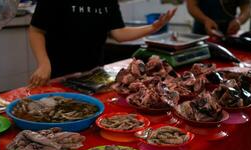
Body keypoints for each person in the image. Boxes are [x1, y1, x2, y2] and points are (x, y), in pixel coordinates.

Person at [29, 0, 176, 87]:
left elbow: (119, 33)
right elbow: (36, 30)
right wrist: (43, 63)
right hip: (58, 74)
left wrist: (153, 28)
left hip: (94, 75)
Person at [186, 0, 251, 36]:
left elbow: (246, 6)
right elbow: (192, 6)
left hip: (229, 32)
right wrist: (205, 20)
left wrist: (239, 21)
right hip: (201, 32)